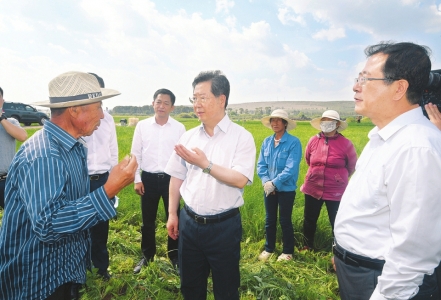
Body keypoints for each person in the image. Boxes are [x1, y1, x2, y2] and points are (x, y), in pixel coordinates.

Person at [0, 71, 138, 300]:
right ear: (74, 110)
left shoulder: (74, 148)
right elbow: (49, 225)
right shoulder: (45, 155)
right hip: (38, 281)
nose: (103, 116)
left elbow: (72, 207)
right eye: (98, 106)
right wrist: (108, 191)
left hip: (62, 271)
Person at [333, 42, 441, 299]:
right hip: (361, 271)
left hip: (382, 282)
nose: (355, 86)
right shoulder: (382, 138)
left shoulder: (415, 148)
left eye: (365, 78)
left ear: (399, 88)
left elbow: (414, 253)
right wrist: (343, 250)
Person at [165, 70, 256, 299]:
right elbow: (177, 176)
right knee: (190, 286)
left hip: (223, 227)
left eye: (203, 97)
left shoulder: (241, 137)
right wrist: (172, 214)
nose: (197, 104)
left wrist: (205, 164)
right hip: (190, 223)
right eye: (194, 98)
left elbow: (240, 179)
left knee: (226, 288)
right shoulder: (188, 136)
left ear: (221, 99)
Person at [131, 88, 185, 274]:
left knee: (174, 218)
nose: (161, 106)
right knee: (148, 221)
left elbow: (183, 157)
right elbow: (135, 153)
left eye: (166, 103)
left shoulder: (179, 128)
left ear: (172, 107)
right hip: (149, 179)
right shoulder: (142, 126)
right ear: (153, 103)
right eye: (158, 102)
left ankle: (175, 256)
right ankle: (147, 255)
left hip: (172, 179)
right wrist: (137, 179)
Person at [299, 110, 357, 251]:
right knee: (309, 220)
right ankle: (307, 246)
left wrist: (337, 178)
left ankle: (337, 250)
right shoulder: (313, 140)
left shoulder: (345, 144)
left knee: (337, 221)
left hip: (336, 190)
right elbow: (309, 160)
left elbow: (352, 166)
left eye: (330, 120)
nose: (326, 123)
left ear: (337, 124)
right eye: (324, 120)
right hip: (313, 187)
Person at [82, 73, 118, 280]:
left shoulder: (108, 119)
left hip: (103, 180)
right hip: (81, 180)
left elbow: (113, 150)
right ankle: (80, 268)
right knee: (78, 227)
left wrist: (114, 181)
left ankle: (101, 268)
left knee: (101, 227)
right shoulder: (76, 117)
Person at [256, 109, 302, 261]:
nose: (275, 123)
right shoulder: (266, 142)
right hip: (268, 187)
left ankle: (287, 251)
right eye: (272, 120)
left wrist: (274, 184)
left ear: (285, 123)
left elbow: (291, 167)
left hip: (286, 189)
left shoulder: (293, 143)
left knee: (285, 220)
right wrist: (266, 182)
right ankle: (269, 248)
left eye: (279, 120)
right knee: (270, 219)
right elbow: (261, 165)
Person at [0, 87, 27, 209]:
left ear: (2, 101)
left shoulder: (11, 121)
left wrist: (1, 118)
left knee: (12, 217)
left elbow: (22, 136)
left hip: (6, 181)